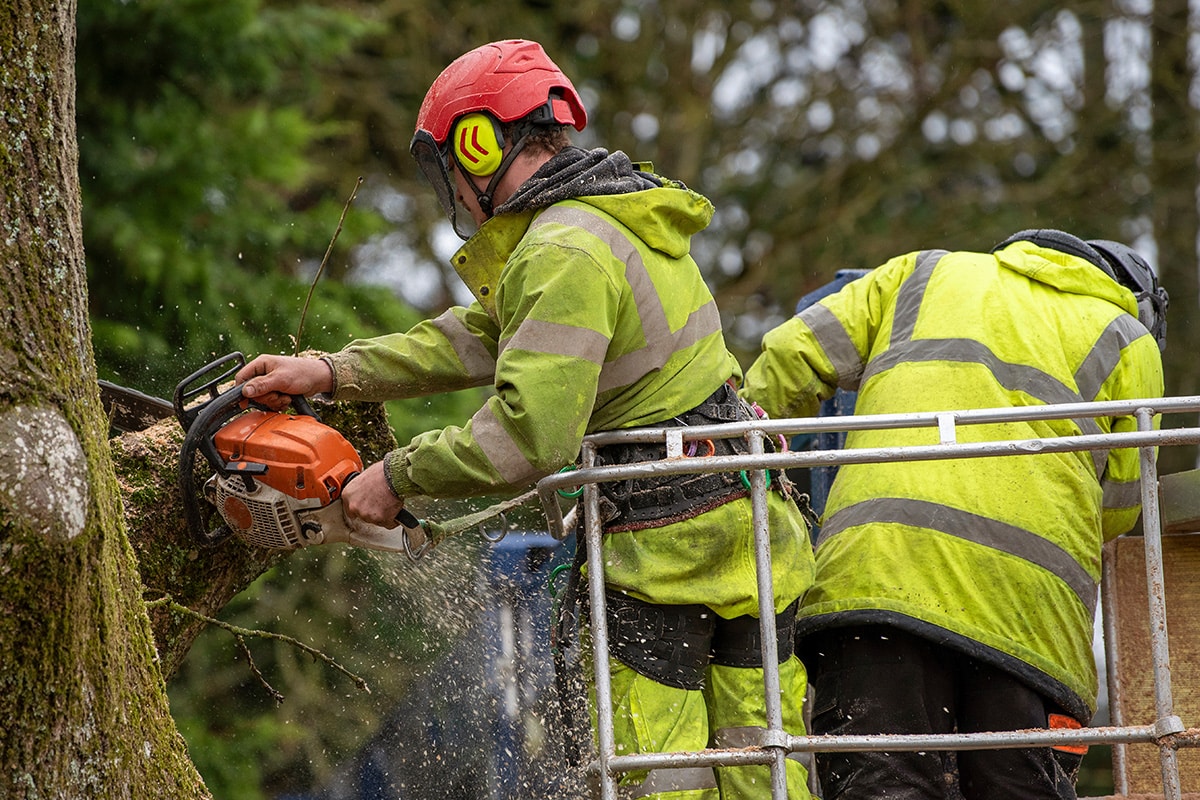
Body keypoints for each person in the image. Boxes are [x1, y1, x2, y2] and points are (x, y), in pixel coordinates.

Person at [236, 39, 815, 799]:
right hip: (747, 526)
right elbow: (486, 333)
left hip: (666, 551)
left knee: (659, 778)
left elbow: (527, 435)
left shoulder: (563, 247)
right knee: (764, 767)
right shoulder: (616, 219)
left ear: (477, 144)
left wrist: (396, 477)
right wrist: (335, 371)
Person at [740, 230, 1168, 800]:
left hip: (875, 584)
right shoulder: (1128, 339)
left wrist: (736, 469)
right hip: (1026, 619)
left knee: (882, 787)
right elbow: (1119, 508)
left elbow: (787, 365)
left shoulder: (923, 270)